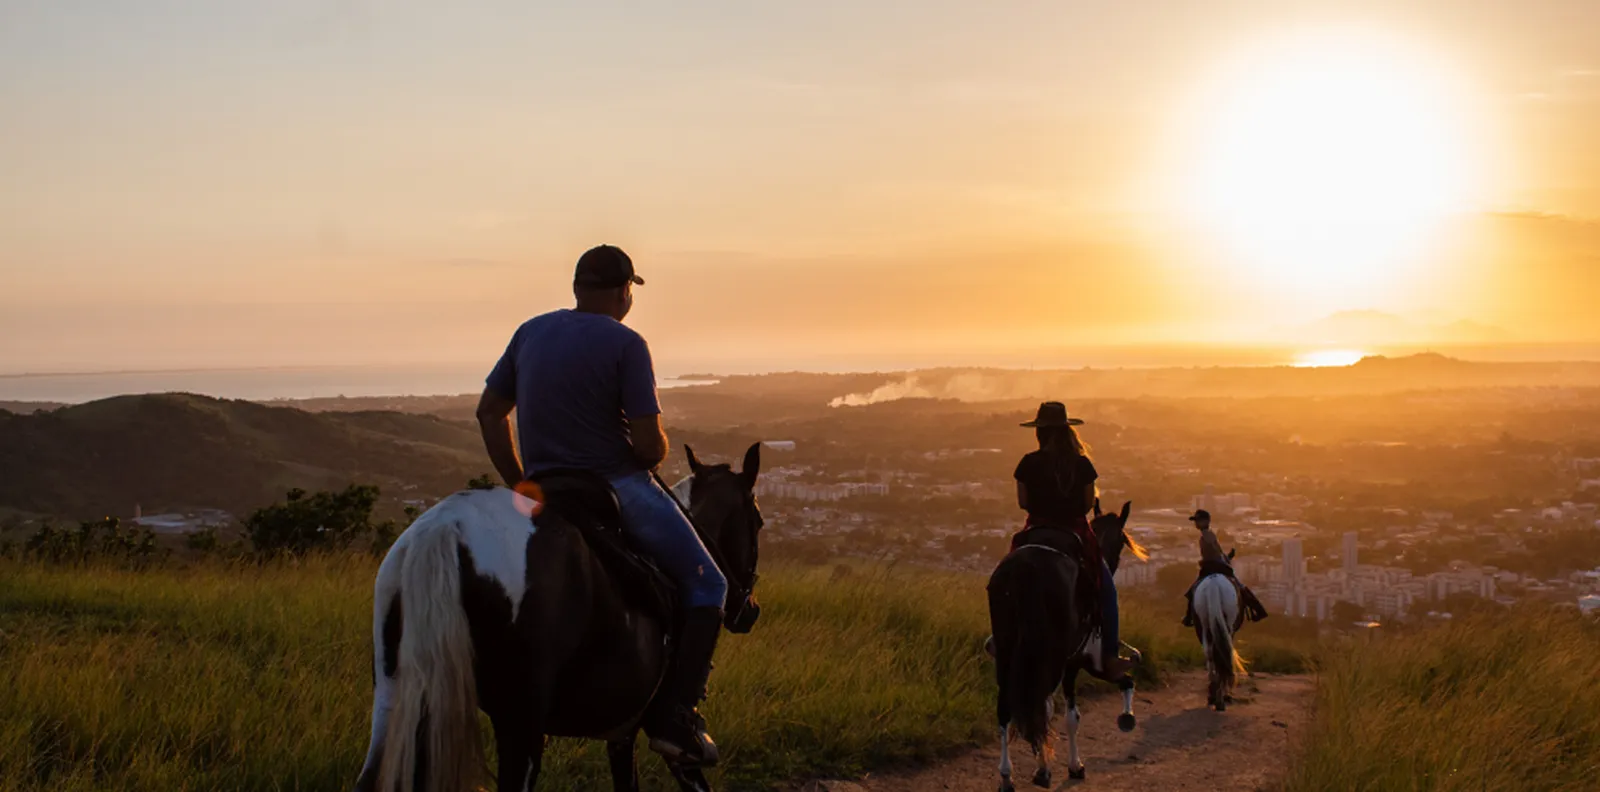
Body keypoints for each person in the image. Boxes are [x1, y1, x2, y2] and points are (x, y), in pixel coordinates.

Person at [474, 244, 728, 766]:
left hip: (546, 490)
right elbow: (647, 448)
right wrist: (653, 443)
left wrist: (522, 484)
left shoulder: (529, 333)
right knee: (710, 583)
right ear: (623, 292)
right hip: (615, 487)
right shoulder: (627, 343)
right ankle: (674, 717)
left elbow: (488, 413)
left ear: (575, 288)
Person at [1012, 401, 1137, 679]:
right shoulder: (1082, 465)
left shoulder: (1027, 463)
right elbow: (1085, 505)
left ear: (1039, 432)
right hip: (1074, 532)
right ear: (1067, 430)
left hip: (1036, 529)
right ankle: (1109, 656)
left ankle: (1000, 639)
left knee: (1007, 575)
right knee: (1106, 591)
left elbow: (1023, 502)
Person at [1180, 509, 1270, 626]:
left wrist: (1224, 557)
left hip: (1210, 567)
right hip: (1219, 566)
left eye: (1199, 521)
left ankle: (1189, 617)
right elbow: (1218, 553)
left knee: (1192, 592)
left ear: (1206, 521)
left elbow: (1215, 552)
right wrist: (1228, 558)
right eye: (1196, 521)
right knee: (1240, 587)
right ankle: (1259, 610)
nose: (1196, 523)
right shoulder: (1208, 534)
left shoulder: (1207, 534)